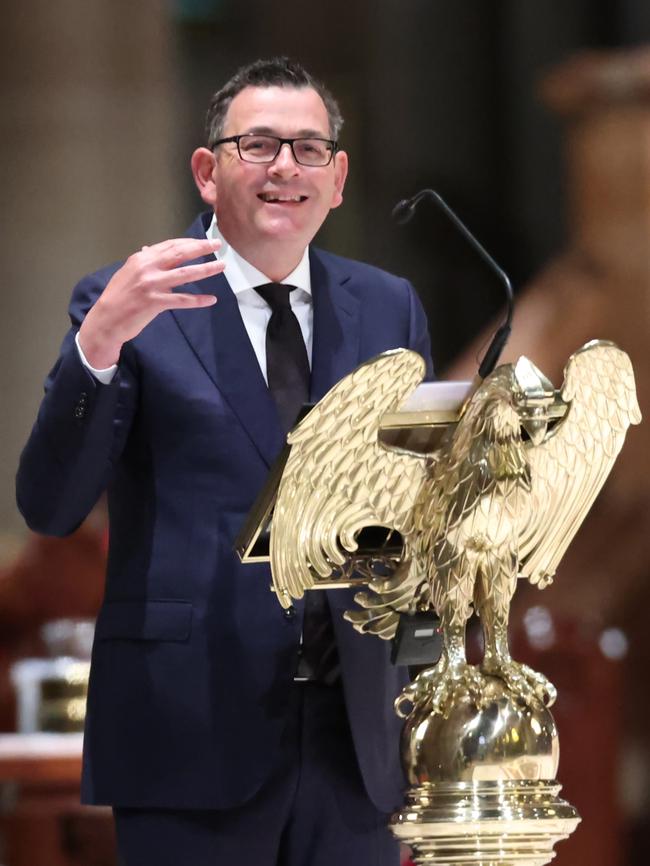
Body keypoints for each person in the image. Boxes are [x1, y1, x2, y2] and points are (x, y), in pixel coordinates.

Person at [16, 57, 432, 866]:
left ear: (338, 177)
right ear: (208, 172)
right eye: (260, 145)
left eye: (310, 149)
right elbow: (50, 504)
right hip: (188, 731)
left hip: (356, 742)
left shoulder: (387, 305)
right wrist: (97, 343)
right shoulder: (131, 301)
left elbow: (405, 512)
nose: (286, 167)